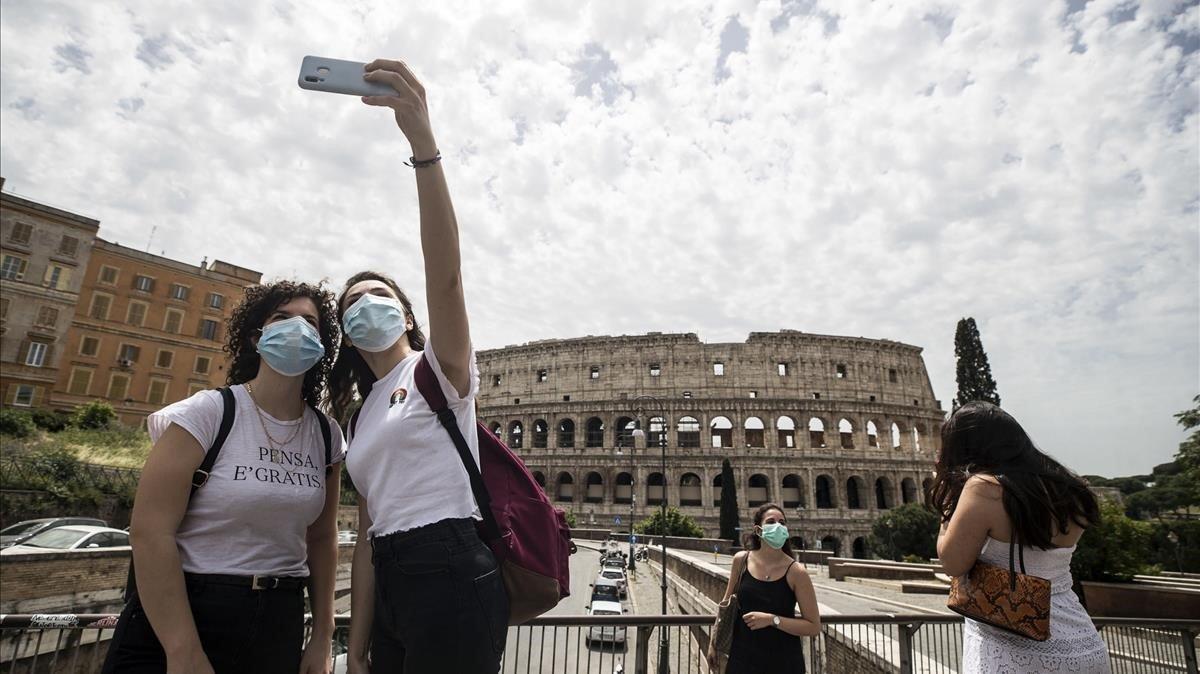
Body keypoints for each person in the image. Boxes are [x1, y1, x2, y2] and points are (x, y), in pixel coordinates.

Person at [326, 59, 508, 674]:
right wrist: (355, 647)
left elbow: (446, 273)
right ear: (346, 334)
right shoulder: (361, 414)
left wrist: (424, 150)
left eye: (380, 296)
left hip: (453, 565)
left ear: (408, 316)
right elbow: (367, 536)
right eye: (352, 304)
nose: (365, 305)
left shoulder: (440, 369)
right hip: (392, 580)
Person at [102, 281, 345, 674]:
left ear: (322, 345)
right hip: (190, 608)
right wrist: (183, 650)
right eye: (282, 318)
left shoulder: (326, 434)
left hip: (278, 619)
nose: (296, 328)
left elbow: (322, 537)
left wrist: (322, 635)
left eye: (309, 322)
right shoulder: (206, 413)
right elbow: (150, 531)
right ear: (256, 336)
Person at [929, 401, 1110, 673]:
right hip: (1083, 643)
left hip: (1013, 649)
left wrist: (948, 505)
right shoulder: (1072, 488)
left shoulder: (984, 488)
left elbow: (952, 563)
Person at [707, 503, 820, 674]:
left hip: (783, 662)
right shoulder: (741, 560)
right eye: (771, 521)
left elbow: (813, 626)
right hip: (742, 658)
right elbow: (725, 605)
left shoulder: (797, 572)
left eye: (782, 522)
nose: (778, 526)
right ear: (758, 530)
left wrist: (771, 619)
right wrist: (713, 643)